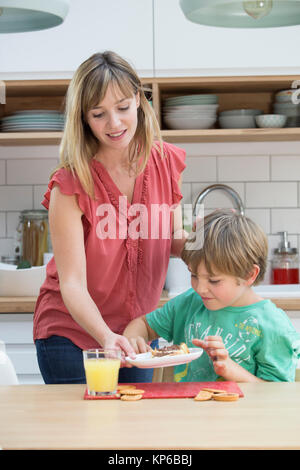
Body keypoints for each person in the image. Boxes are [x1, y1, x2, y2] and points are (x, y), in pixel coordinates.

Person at [33, 51, 187, 384]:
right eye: (99, 114)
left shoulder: (166, 162)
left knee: (133, 434)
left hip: (137, 334)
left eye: (122, 108)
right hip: (72, 338)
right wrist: (105, 336)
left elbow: (174, 240)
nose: (114, 124)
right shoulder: (70, 184)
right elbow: (72, 282)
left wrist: (210, 238)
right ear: (84, 119)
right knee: (84, 434)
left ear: (138, 101)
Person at [123, 209, 300, 382]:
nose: (200, 288)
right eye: (193, 275)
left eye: (214, 280)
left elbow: (277, 395)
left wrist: (232, 371)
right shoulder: (190, 302)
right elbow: (143, 325)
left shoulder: (273, 325)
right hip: (188, 410)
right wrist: (134, 340)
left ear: (249, 275)